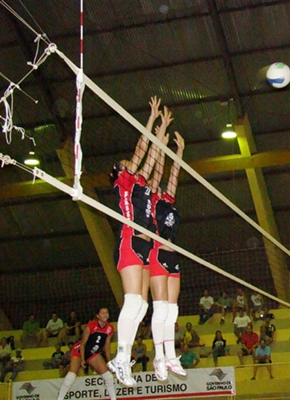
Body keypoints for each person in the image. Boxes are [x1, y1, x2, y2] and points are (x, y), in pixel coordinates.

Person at [107, 97, 169, 386]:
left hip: (143, 246)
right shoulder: (124, 183)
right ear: (119, 173)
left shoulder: (141, 184)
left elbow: (153, 155)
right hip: (130, 241)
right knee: (133, 302)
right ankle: (120, 357)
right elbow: (142, 148)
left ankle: (122, 358)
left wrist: (161, 130)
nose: (129, 164)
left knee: (142, 307)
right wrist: (151, 119)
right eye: (124, 164)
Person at [147, 124, 186, 381]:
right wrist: (159, 139)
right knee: (160, 309)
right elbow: (158, 168)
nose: (160, 186)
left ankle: (171, 356)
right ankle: (158, 356)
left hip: (173, 256)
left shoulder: (168, 199)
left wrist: (180, 150)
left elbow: (173, 173)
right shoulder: (149, 201)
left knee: (173, 311)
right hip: (157, 253)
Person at [57, 308, 116, 400]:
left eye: (107, 312)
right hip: (80, 351)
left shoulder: (110, 328)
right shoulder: (91, 326)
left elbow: (107, 346)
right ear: (98, 316)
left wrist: (109, 362)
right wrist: (83, 360)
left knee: (108, 376)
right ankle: (59, 398)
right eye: (102, 313)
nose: (105, 315)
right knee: (72, 376)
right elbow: (83, 344)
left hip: (92, 352)